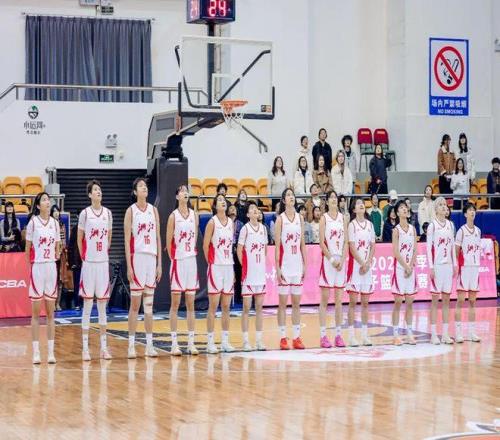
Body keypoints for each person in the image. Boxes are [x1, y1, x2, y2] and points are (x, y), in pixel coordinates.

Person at [124, 177, 162, 359]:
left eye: (145, 186)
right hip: (137, 258)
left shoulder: (154, 210)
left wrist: (159, 264)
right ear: (135, 192)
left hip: (151, 259)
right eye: (140, 186)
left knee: (149, 306)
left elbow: (158, 238)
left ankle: (149, 345)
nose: (144, 188)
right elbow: (126, 240)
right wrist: (129, 266)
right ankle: (131, 345)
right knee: (135, 304)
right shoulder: (131, 211)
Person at [77, 180, 113, 361]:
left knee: (102, 306)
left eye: (100, 189)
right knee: (87, 305)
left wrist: (103, 253)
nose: (99, 192)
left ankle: (104, 348)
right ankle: (85, 349)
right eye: (95, 190)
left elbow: (109, 237)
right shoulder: (85, 214)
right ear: (90, 194)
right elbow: (79, 238)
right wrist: (85, 257)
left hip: (102, 263)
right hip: (89, 263)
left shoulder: (108, 213)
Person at [25, 192, 61, 364]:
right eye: (44, 200)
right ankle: (36, 352)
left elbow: (58, 246)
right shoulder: (33, 223)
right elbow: (27, 249)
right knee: (35, 313)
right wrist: (30, 268)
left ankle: (51, 353)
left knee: (50, 313)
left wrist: (57, 253)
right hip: (38, 267)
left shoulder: (55, 223)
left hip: (51, 267)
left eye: (48, 199)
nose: (48, 202)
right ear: (38, 205)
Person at [165, 184, 199, 356]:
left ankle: (191, 343)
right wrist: (176, 259)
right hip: (178, 262)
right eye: (182, 191)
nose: (185, 193)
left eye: (187, 191)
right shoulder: (173, 216)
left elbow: (195, 239)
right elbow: (168, 242)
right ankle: (174, 343)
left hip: (191, 261)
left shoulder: (194, 215)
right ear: (177, 196)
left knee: (191, 304)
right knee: (176, 304)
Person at [274, 188, 307, 350]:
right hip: (285, 265)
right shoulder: (280, 219)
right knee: (282, 304)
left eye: (292, 195)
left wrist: (305, 265)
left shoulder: (300, 218)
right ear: (283, 200)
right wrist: (278, 267)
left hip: (297, 264)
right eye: (288, 195)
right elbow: (277, 246)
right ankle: (282, 337)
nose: (291, 197)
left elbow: (302, 244)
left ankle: (296, 337)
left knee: (296, 304)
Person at [203, 194, 235, 353]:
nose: (223, 202)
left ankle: (225, 341)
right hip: (216, 266)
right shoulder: (212, 222)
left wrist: (232, 269)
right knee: (213, 306)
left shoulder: (231, 223)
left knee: (226, 306)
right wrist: (211, 262)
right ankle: (210, 342)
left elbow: (231, 247)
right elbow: (205, 245)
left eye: (224, 200)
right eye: (219, 200)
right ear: (215, 205)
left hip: (228, 266)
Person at [237, 201, 268, 351]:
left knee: (260, 308)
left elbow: (265, 249)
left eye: (256, 208)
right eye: (252, 209)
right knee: (246, 308)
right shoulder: (245, 229)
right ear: (248, 214)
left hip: (260, 273)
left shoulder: (263, 228)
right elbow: (239, 250)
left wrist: (261, 265)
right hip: (249, 274)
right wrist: (244, 266)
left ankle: (259, 340)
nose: (255, 210)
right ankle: (245, 341)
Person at [318, 190, 347, 348]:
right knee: (324, 299)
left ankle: (338, 335)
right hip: (329, 261)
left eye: (336, 197)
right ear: (327, 201)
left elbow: (346, 242)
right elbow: (322, 243)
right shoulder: (324, 218)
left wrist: (342, 259)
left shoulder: (343, 218)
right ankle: (323, 336)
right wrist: (331, 259)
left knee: (339, 301)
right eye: (331, 198)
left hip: (340, 262)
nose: (334, 200)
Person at [426, 196, 457, 345]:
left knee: (446, 300)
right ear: (436, 209)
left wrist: (455, 264)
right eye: (440, 205)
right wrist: (431, 266)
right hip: (437, 266)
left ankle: (445, 334)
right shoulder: (432, 226)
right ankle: (433, 334)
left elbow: (452, 247)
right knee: (434, 300)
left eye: (445, 204)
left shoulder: (451, 225)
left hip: (448, 266)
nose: (444, 207)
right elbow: (428, 248)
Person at [346, 198, 376, 346]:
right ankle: (351, 336)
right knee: (353, 302)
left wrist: (368, 263)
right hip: (356, 268)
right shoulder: (352, 225)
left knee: (365, 303)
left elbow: (372, 245)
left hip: (366, 268)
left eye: (362, 203)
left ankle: (365, 336)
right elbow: (352, 247)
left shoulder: (370, 225)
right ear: (354, 209)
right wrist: (362, 263)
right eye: (358, 203)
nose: (361, 205)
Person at [391, 200, 418, 345]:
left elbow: (415, 249)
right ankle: (395, 334)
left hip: (410, 269)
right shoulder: (396, 230)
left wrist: (411, 266)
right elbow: (396, 252)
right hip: (400, 269)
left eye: (405, 207)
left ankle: (409, 333)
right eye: (401, 208)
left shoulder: (413, 229)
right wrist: (406, 266)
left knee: (409, 302)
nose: (404, 209)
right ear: (397, 213)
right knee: (398, 302)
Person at [454, 203, 481, 343]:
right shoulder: (461, 231)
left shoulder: (478, 231)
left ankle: (471, 332)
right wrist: (456, 266)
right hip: (464, 268)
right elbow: (456, 250)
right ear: (465, 214)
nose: (472, 212)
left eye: (473, 210)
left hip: (474, 268)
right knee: (460, 300)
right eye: (470, 210)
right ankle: (458, 333)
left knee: (472, 301)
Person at [50, 205, 66, 311]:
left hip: (62, 255)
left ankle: (58, 303)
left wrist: (61, 250)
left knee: (60, 280)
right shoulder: (49, 224)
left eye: (58, 211)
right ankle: (51, 303)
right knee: (52, 280)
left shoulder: (62, 224)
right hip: (51, 255)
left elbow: (64, 240)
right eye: (54, 211)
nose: (56, 213)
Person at [67, 224, 82, 310]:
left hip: (88, 261)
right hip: (77, 262)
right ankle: (77, 303)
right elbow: (71, 246)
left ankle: (85, 302)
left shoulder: (90, 227)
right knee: (77, 284)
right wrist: (71, 262)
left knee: (87, 284)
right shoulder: (75, 229)